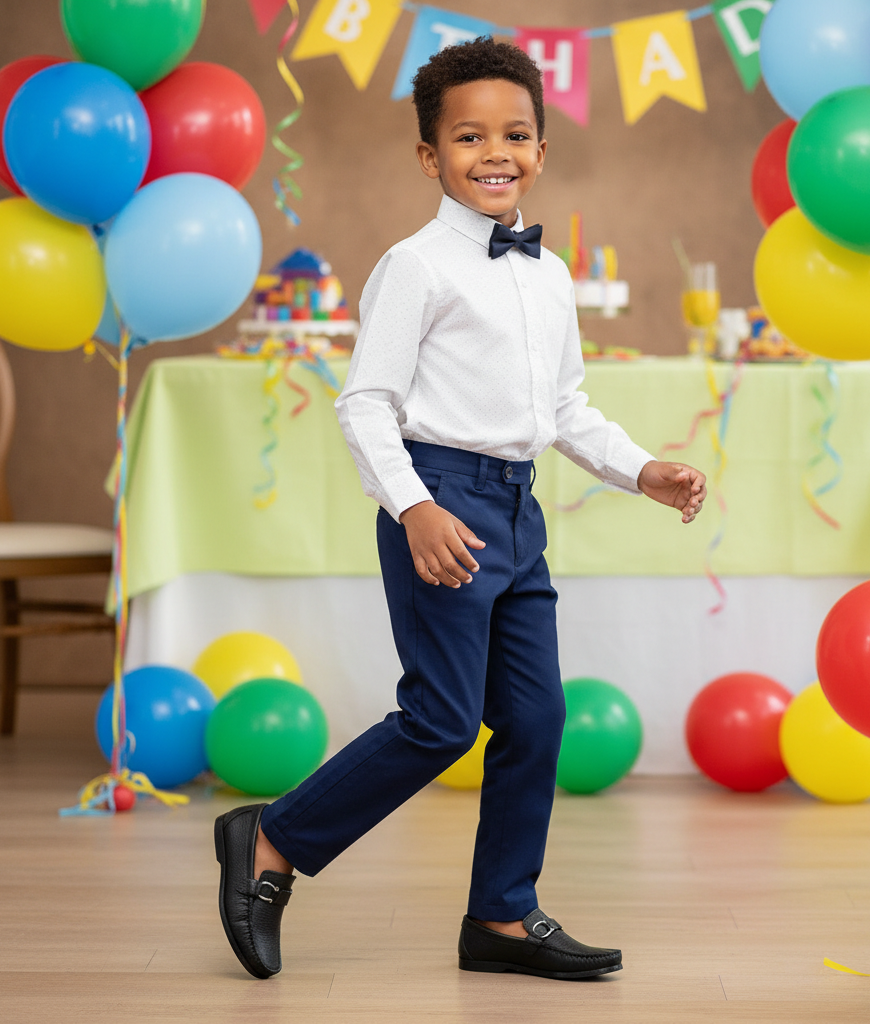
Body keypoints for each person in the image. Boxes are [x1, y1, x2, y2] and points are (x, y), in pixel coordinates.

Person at [214, 37, 706, 983]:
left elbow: (563, 409)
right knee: (442, 720)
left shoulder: (547, 275)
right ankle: (272, 839)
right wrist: (415, 507)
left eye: (516, 135)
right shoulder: (416, 266)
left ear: (542, 150)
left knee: (536, 717)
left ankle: (502, 918)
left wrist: (642, 470)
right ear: (429, 157)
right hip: (442, 507)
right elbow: (365, 404)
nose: (496, 153)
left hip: (520, 515)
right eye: (469, 136)